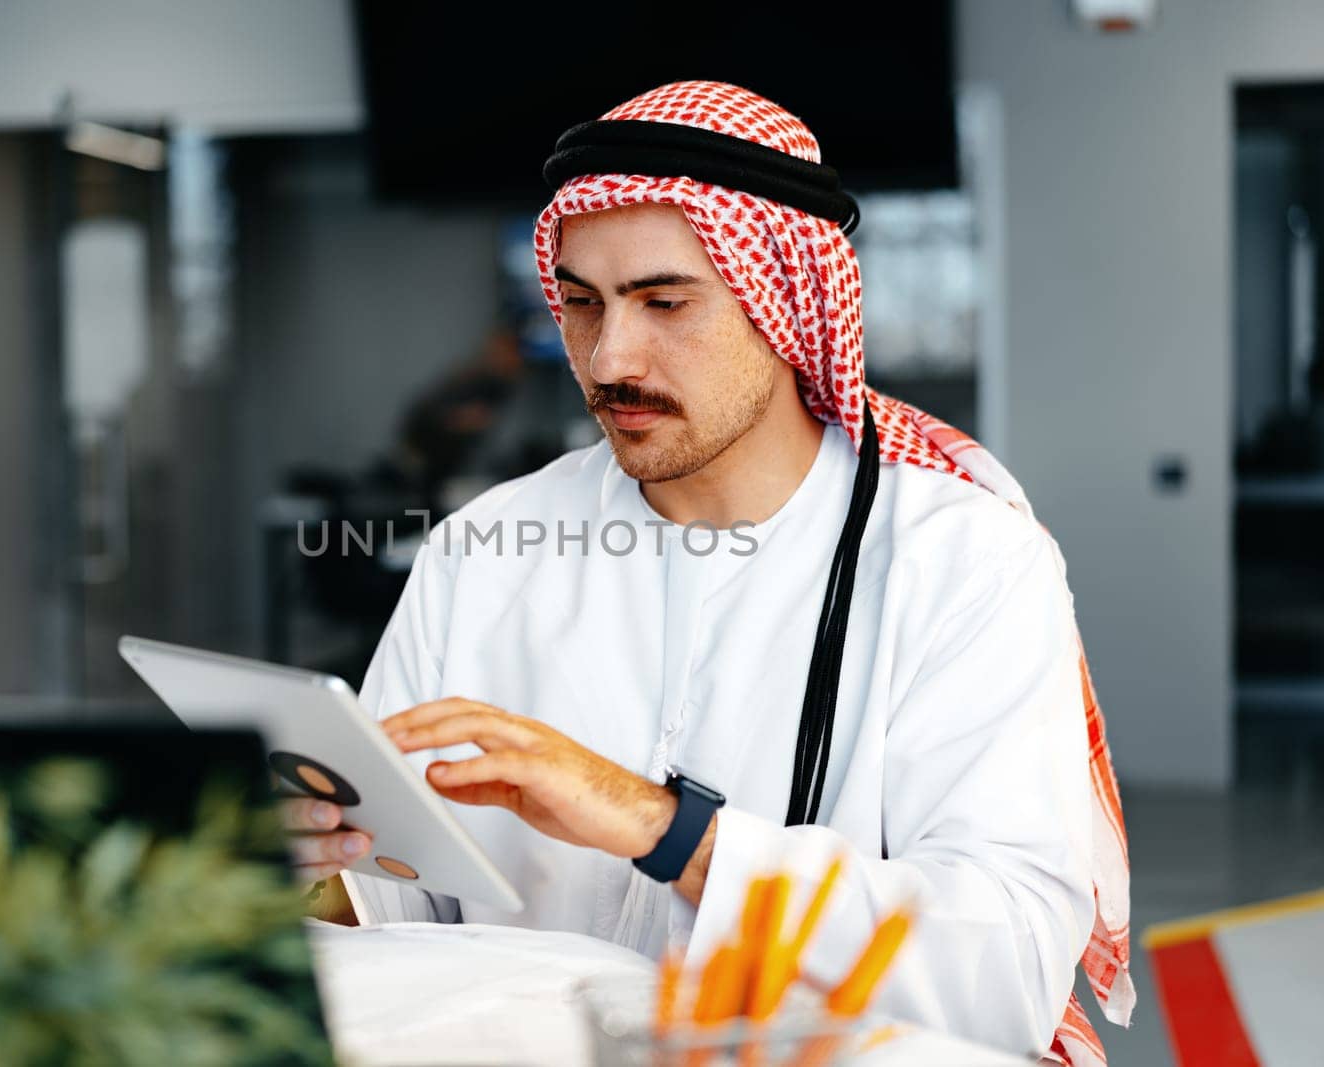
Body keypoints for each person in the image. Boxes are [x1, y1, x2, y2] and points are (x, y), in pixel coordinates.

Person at [281, 81, 1133, 1064]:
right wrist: (320, 870)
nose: (609, 357)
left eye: (664, 300)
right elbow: (404, 895)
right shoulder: (483, 548)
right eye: (580, 303)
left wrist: (664, 826)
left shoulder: (962, 561)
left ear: (785, 298)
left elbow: (1005, 970)